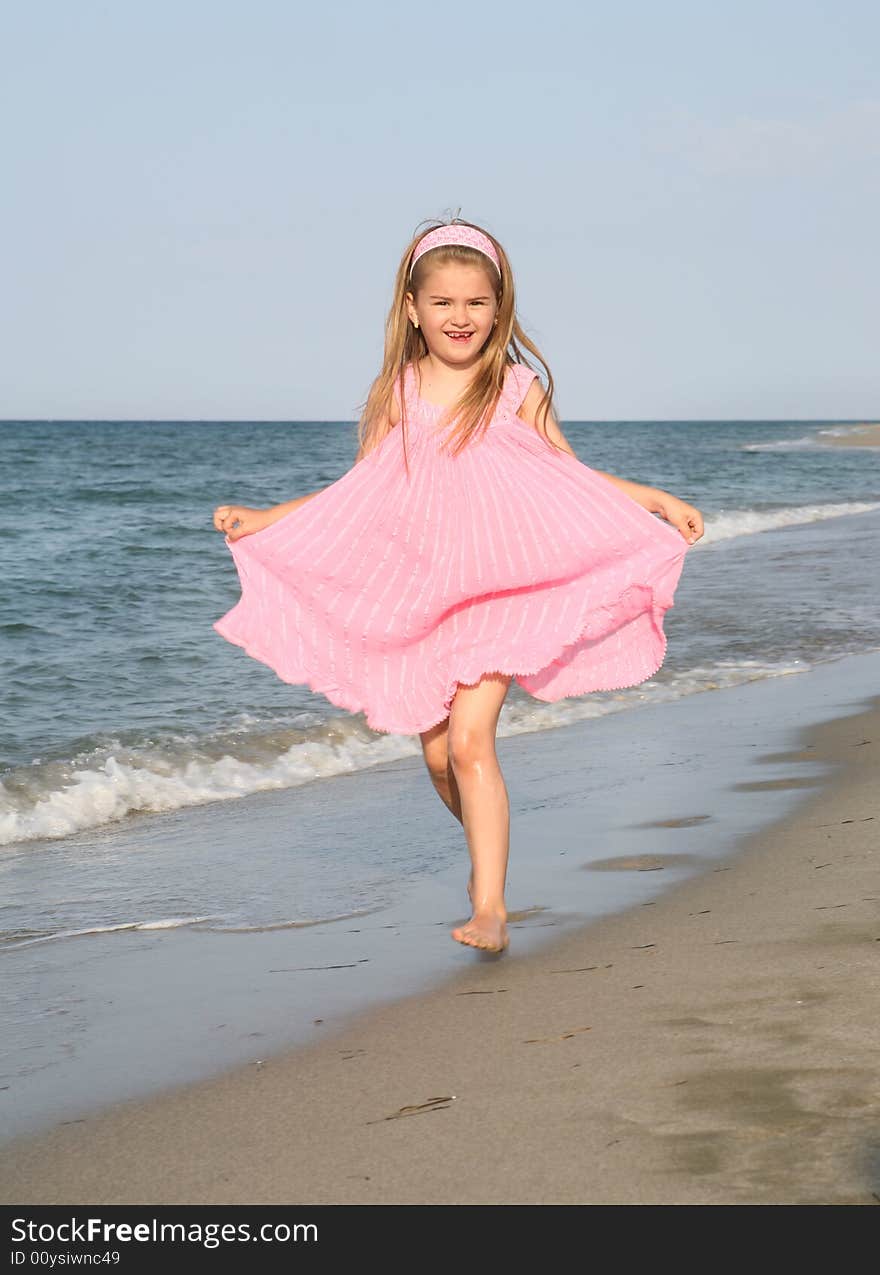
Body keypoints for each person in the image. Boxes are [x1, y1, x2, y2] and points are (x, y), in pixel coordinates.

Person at [212, 217, 704, 956]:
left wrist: (651, 499)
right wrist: (267, 520)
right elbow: (358, 493)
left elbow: (567, 478)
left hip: (501, 597)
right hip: (424, 599)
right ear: (412, 308)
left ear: (497, 309)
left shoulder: (515, 386)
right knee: (441, 758)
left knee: (472, 743)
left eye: (476, 302)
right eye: (443, 302)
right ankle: (490, 841)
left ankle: (491, 908)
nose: (460, 316)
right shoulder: (397, 392)